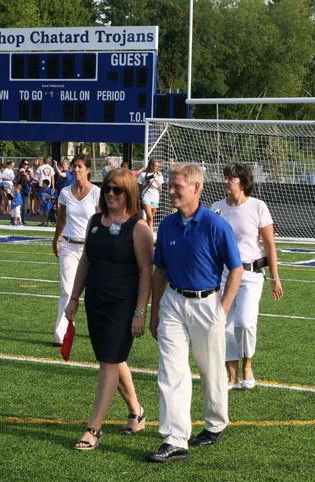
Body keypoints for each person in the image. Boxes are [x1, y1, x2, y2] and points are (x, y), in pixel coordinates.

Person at [146, 162, 243, 463]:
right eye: (170, 186)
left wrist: (221, 309)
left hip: (207, 304)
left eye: (177, 186)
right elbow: (159, 270)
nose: (170, 191)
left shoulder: (216, 225)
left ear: (196, 188)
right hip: (173, 303)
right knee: (171, 370)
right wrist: (154, 311)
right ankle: (175, 439)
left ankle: (215, 424)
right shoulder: (167, 225)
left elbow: (236, 269)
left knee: (211, 370)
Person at [64, 168, 155, 450]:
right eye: (107, 189)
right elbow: (86, 262)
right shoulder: (94, 221)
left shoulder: (139, 227)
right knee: (112, 360)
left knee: (108, 362)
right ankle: (137, 411)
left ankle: (94, 428)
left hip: (123, 305)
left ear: (130, 193)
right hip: (96, 302)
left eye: (118, 190)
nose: (111, 194)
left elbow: (146, 273)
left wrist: (141, 312)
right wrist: (74, 298)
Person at [211, 163, 283, 390]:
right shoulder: (216, 208)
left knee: (244, 322)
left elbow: (270, 245)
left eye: (230, 178)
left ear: (242, 182)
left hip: (251, 274)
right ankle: (231, 374)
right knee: (223, 324)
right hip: (223, 274)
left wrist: (275, 277)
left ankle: (247, 365)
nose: (225, 181)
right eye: (225, 178)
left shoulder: (258, 206)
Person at [52, 154, 100, 346]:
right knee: (67, 289)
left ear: (88, 170)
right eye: (74, 166)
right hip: (69, 245)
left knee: (95, 292)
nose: (76, 170)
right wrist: (55, 240)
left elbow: (101, 220)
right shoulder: (65, 192)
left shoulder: (97, 192)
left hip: (91, 248)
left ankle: (99, 328)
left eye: (80, 166)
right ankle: (61, 332)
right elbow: (62, 219)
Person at [137, 159, 164, 231]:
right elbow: (139, 188)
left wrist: (158, 185)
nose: (157, 168)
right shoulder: (143, 174)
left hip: (155, 198)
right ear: (151, 166)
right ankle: (150, 236)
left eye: (158, 167)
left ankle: (146, 231)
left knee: (151, 219)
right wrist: (147, 184)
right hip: (146, 197)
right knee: (150, 218)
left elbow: (160, 190)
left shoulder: (159, 175)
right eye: (155, 166)